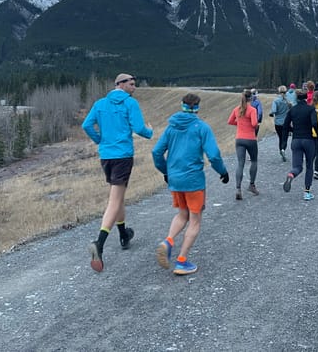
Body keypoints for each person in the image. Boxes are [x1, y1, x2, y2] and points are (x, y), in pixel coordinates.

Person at [82, 73, 153, 273]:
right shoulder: (130, 103)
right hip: (122, 155)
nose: (134, 87)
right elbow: (139, 128)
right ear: (120, 84)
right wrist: (150, 132)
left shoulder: (100, 104)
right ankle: (100, 243)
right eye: (131, 84)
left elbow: (86, 125)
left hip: (106, 156)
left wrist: (98, 140)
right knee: (114, 200)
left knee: (118, 196)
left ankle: (124, 235)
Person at [152, 93, 229, 275]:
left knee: (182, 214)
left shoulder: (171, 127)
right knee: (195, 220)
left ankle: (168, 241)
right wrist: (223, 172)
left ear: (182, 106)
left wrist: (166, 171)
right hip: (193, 181)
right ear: (197, 107)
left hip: (175, 179)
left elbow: (156, 152)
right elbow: (214, 155)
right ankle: (182, 261)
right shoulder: (202, 127)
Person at [282, 90, 318, 201]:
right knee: (309, 166)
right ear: (306, 98)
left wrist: (284, 142)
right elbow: (314, 123)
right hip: (308, 140)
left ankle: (291, 175)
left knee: (297, 167)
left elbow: (285, 126)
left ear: (297, 99)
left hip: (296, 140)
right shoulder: (311, 109)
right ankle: (307, 192)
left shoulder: (292, 110)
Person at [228, 89, 260, 200]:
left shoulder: (237, 109)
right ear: (251, 98)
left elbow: (230, 121)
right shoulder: (252, 110)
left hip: (239, 139)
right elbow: (254, 123)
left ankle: (238, 188)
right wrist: (254, 126)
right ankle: (252, 184)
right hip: (250, 139)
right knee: (254, 161)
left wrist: (240, 123)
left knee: (240, 163)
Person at [269, 85, 291, 161]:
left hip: (278, 123)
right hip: (286, 122)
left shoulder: (276, 101)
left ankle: (281, 152)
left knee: (280, 138)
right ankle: (283, 149)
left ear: (278, 91)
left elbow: (273, 111)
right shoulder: (288, 101)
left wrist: (271, 114)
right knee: (285, 138)